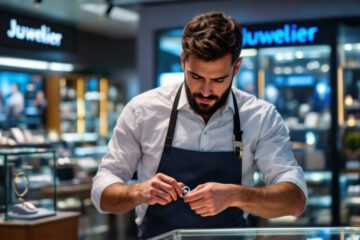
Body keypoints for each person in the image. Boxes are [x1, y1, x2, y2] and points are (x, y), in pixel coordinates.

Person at [91, 12, 307, 239]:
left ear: (236, 68)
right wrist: (139, 191)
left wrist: (235, 195)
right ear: (183, 61)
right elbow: (101, 192)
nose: (205, 91)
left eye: (218, 80)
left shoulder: (261, 117)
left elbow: (295, 201)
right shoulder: (142, 110)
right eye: (195, 76)